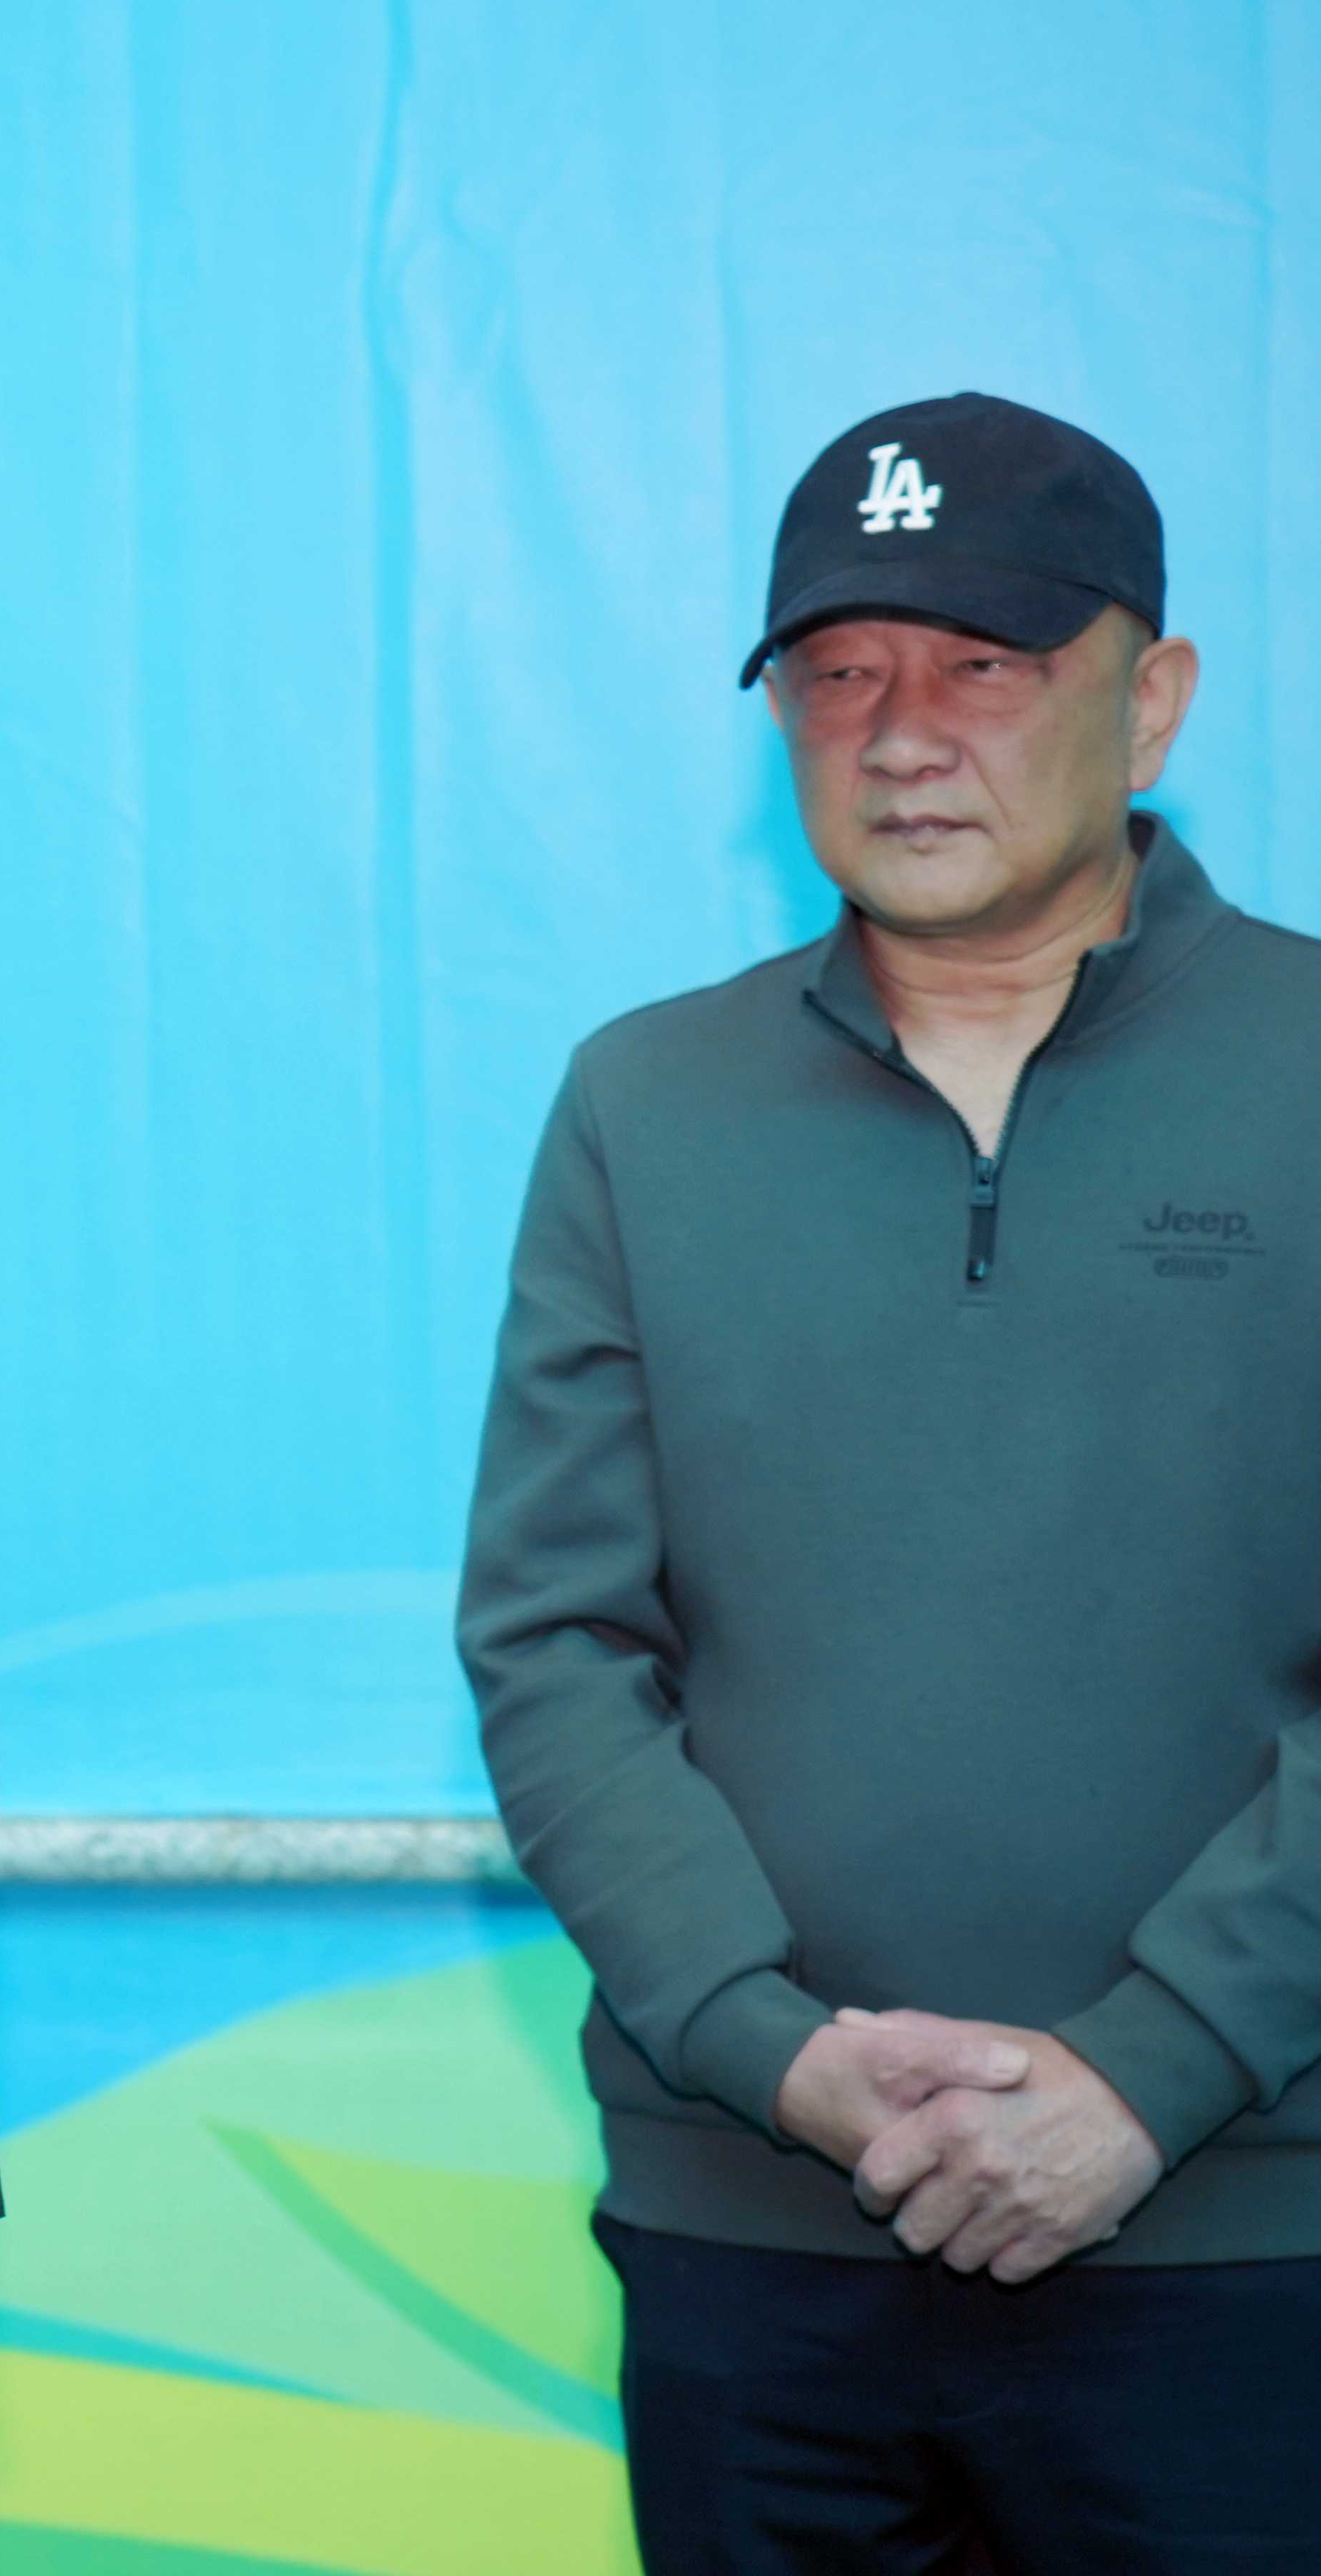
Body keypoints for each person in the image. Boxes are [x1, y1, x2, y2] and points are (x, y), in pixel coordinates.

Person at [461, 393, 1321, 2570]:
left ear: (1154, 702)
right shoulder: (649, 1104)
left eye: (985, 666)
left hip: (1255, 2239)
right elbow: (556, 1643)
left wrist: (1157, 2067)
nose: (903, 735)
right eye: (837, 674)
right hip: (759, 2234)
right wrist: (774, 2055)